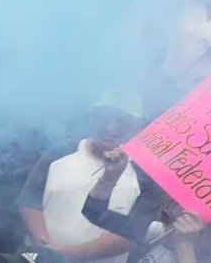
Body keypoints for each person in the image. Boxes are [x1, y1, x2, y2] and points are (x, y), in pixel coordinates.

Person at [17, 90, 143, 263]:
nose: (110, 127)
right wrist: (44, 248)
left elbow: (135, 235)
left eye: (121, 121)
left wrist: (66, 254)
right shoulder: (61, 151)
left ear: (136, 127)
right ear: (91, 118)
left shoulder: (143, 174)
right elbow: (29, 200)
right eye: (103, 117)